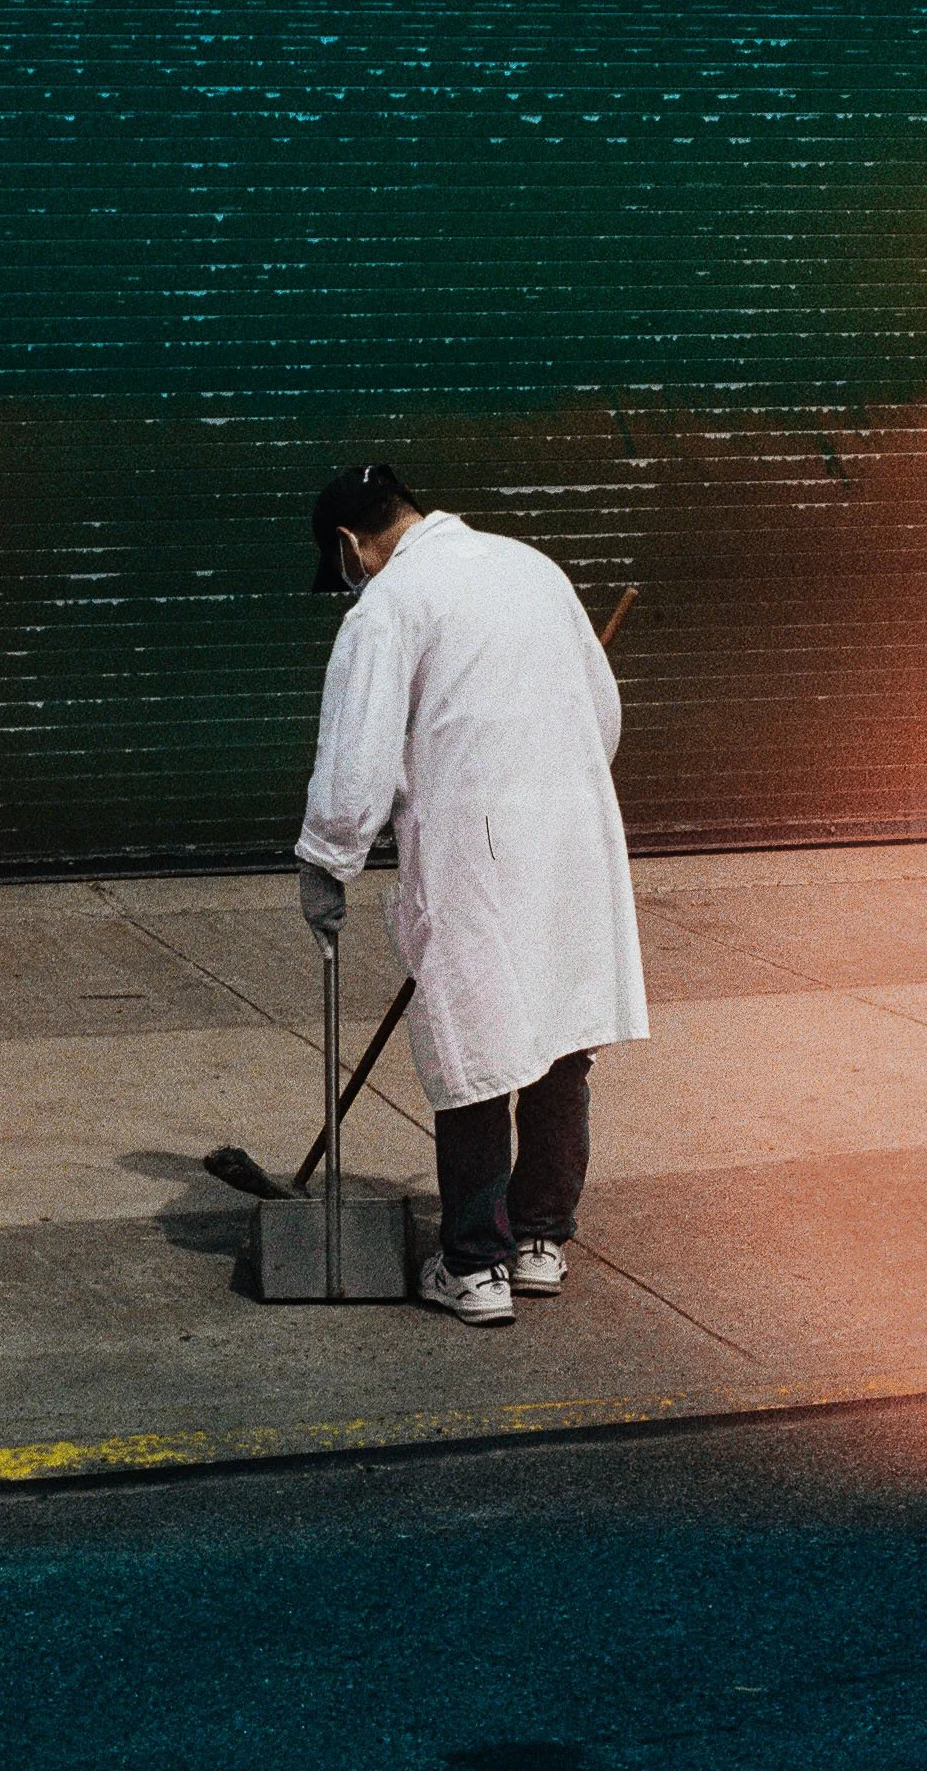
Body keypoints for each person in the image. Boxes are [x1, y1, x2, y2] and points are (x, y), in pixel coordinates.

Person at [295, 461, 648, 1326]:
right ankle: (539, 1242)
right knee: (561, 1032)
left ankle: (473, 1266)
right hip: (570, 832)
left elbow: (355, 759)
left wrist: (326, 862)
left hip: (473, 846)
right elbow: (601, 717)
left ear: (349, 543)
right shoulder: (530, 565)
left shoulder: (385, 606)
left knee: (476, 1047)